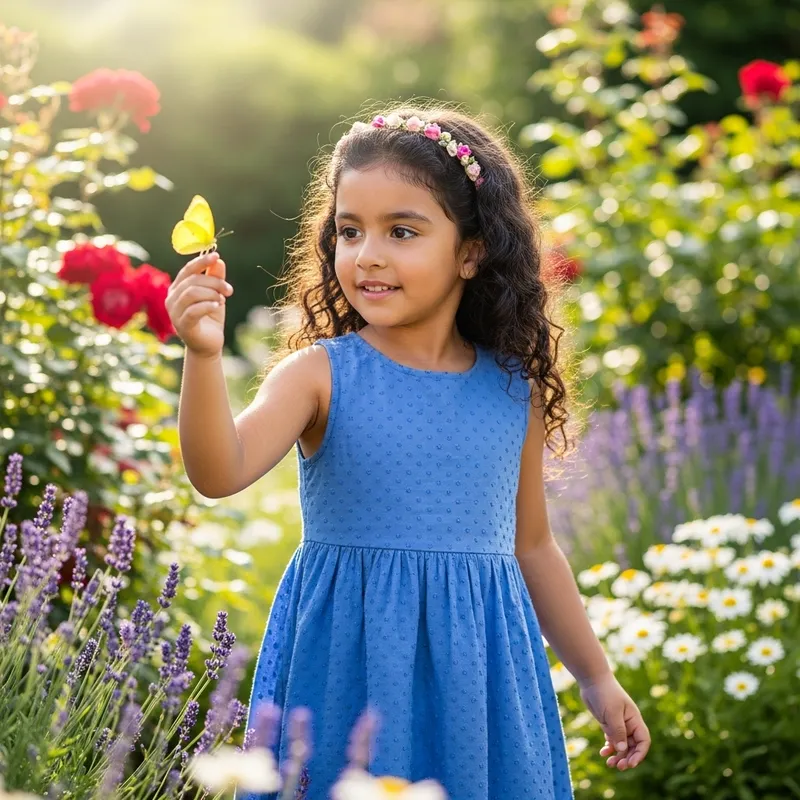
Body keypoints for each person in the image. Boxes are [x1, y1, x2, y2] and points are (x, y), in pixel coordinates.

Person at [169, 104, 651, 800]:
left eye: (402, 231)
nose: (367, 254)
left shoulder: (509, 390)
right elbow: (219, 472)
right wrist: (203, 357)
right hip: (348, 671)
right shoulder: (320, 374)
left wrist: (596, 676)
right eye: (349, 230)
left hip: (481, 682)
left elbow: (534, 547)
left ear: (472, 249)